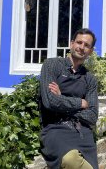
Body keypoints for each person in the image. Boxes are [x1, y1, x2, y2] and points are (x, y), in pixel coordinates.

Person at [39, 28, 99, 169]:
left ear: (90, 51)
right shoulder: (52, 65)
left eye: (87, 45)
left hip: (82, 132)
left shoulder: (89, 79)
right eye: (79, 42)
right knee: (71, 160)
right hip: (55, 129)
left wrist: (62, 99)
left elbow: (92, 115)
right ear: (72, 44)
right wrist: (80, 102)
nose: (82, 47)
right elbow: (50, 101)